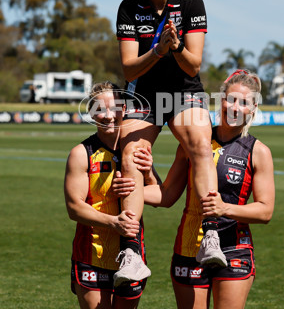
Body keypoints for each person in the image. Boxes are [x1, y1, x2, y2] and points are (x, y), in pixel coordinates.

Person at [114, 0, 225, 286]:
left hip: (182, 91)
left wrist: (175, 49)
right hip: (144, 94)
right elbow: (129, 67)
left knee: (199, 143)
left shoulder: (191, 2)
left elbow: (194, 65)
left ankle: (210, 236)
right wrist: (157, 50)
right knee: (130, 154)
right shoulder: (129, 8)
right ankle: (131, 252)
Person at [114, 69, 275, 309]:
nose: (235, 108)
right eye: (230, 100)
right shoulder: (193, 143)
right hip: (188, 248)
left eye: (244, 103)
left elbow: (264, 211)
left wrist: (224, 208)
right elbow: (167, 195)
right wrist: (135, 184)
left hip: (233, 249)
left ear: (252, 108)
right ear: (221, 101)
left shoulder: (257, 151)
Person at [64, 82, 160, 309]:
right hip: (92, 255)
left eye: (113, 108)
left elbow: (162, 198)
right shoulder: (82, 154)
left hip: (132, 256)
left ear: (124, 110)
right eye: (100, 108)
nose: (107, 116)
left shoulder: (136, 150)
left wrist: (148, 174)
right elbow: (74, 208)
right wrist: (113, 222)